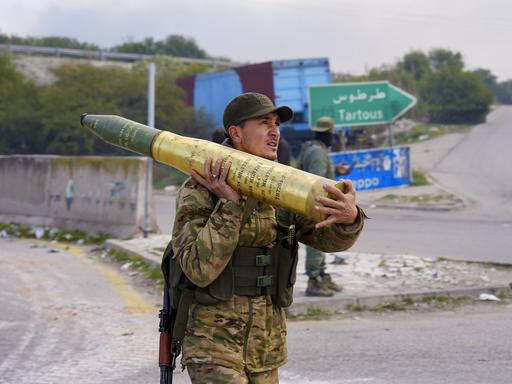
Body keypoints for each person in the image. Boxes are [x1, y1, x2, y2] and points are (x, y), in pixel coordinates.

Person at [172, 93, 365, 383]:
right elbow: (199, 267)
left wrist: (350, 219)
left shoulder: (283, 191)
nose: (275, 132)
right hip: (213, 341)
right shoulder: (200, 188)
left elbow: (327, 239)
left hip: (265, 345)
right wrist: (230, 204)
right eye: (264, 123)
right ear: (236, 133)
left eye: (276, 124)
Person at [297, 116, 343, 297]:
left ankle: (322, 275)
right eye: (332, 134)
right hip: (317, 207)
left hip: (322, 206)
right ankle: (314, 280)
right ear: (328, 133)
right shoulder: (317, 151)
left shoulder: (318, 149)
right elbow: (318, 182)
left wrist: (337, 171)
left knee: (323, 241)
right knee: (316, 242)